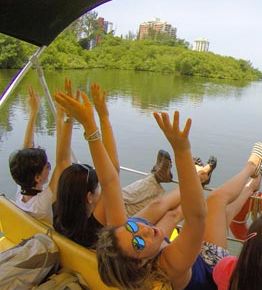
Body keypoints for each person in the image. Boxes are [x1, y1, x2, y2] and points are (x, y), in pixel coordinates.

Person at [84, 106, 262, 290]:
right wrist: (182, 151)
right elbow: (197, 218)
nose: (142, 230)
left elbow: (169, 212)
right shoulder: (170, 264)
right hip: (210, 268)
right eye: (138, 243)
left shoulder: (133, 237)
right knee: (216, 201)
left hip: (192, 253)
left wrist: (196, 182)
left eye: (130, 226)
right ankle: (251, 168)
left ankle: (251, 185)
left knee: (216, 215)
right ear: (141, 264)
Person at [53, 83, 181, 248]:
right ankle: (193, 178)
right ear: (89, 197)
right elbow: (112, 174)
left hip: (114, 212)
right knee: (156, 206)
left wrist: (70, 118)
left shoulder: (59, 214)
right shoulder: (91, 229)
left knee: (127, 197)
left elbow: (62, 160)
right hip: (122, 227)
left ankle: (158, 178)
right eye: (97, 186)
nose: (100, 186)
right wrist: (100, 119)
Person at [9, 82, 73, 224]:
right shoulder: (42, 204)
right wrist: (65, 118)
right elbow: (63, 161)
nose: (50, 167)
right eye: (47, 166)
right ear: (37, 178)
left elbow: (27, 147)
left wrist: (33, 112)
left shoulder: (21, 192)